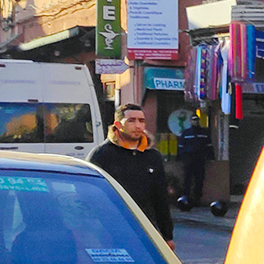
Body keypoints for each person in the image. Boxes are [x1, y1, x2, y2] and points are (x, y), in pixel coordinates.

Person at [88, 103, 175, 249]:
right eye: (131, 120)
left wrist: (167, 236)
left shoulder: (152, 156)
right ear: (118, 125)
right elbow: (89, 197)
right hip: (110, 232)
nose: (138, 126)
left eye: (141, 121)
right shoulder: (101, 155)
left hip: (145, 229)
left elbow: (160, 198)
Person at [176, 116, 210, 208]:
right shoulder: (186, 133)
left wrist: (210, 157)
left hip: (200, 159)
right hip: (188, 159)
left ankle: (197, 199)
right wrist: (181, 157)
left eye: (197, 120)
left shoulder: (204, 133)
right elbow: (181, 146)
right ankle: (186, 199)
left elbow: (208, 146)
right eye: (193, 120)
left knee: (199, 179)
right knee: (187, 179)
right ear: (190, 121)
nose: (195, 122)